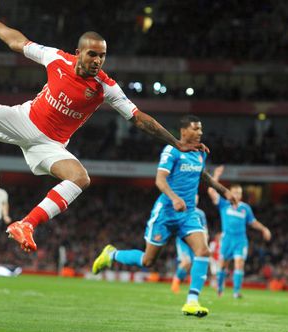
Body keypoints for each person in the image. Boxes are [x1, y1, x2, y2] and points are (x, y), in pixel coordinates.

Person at [0, 5, 208, 253]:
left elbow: (139, 118)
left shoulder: (105, 87)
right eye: (93, 54)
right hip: (22, 118)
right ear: (80, 52)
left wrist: (176, 143)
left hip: (50, 144)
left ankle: (27, 224)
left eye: (103, 55)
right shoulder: (56, 58)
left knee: (80, 178)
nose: (98, 60)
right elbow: (17, 41)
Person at [92, 115, 237, 317]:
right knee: (148, 261)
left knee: (203, 252)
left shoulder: (199, 153)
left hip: (187, 215)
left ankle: (192, 301)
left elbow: (203, 176)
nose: (200, 132)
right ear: (184, 131)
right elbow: (160, 180)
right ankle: (111, 255)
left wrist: (224, 191)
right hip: (166, 213)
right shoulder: (172, 150)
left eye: (201, 129)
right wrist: (174, 198)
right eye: (196, 128)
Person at [207, 165, 272, 298]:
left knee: (239, 264)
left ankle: (236, 292)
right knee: (222, 266)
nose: (237, 195)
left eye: (239, 193)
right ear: (230, 193)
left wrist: (264, 228)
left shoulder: (245, 208)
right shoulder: (224, 203)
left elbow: (252, 222)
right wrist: (216, 176)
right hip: (227, 239)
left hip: (240, 240)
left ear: (241, 195)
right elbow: (211, 191)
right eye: (235, 192)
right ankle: (220, 288)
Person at [171, 195, 208, 294]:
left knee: (193, 264)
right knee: (186, 262)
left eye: (196, 198)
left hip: (196, 241)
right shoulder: (181, 210)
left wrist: (205, 241)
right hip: (183, 241)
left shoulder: (200, 213)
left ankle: (192, 287)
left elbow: (204, 229)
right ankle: (176, 282)